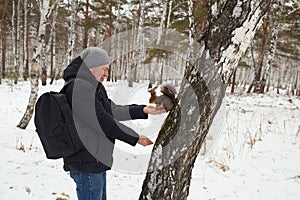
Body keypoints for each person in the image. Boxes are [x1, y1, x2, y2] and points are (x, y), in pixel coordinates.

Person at [62, 47, 166, 200]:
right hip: (85, 161)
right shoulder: (80, 88)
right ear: (92, 67)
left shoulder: (93, 86)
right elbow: (102, 121)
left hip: (95, 160)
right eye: (104, 69)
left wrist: (143, 110)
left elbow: (112, 110)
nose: (107, 74)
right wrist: (135, 138)